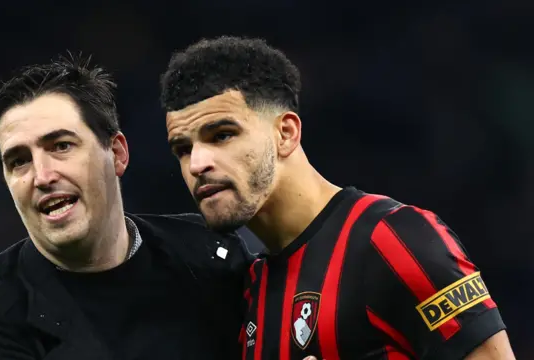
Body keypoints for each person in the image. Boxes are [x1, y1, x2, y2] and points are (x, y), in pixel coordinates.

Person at [159, 36, 516, 360]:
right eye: (183, 149)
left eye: (221, 135)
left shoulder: (394, 239)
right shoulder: (252, 290)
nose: (198, 164)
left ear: (285, 133)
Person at [0, 54, 254, 360]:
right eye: (19, 161)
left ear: (116, 154)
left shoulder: (209, 253)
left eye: (61, 146)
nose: (42, 176)